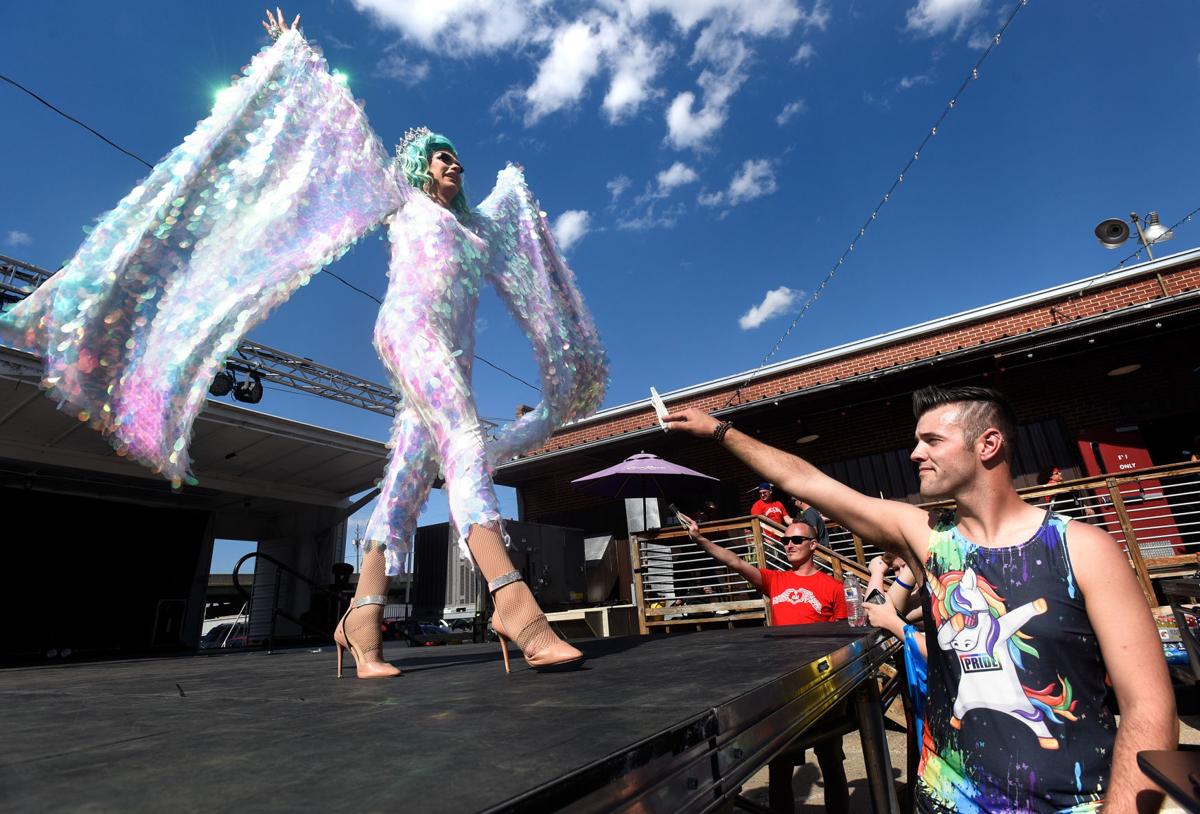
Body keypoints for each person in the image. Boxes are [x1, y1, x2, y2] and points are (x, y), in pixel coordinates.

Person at [0, 10, 607, 679]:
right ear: (419, 169)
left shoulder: (480, 230)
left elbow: (526, 246)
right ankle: (512, 600)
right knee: (465, 438)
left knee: (405, 485)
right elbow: (338, 125)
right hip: (410, 332)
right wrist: (293, 53)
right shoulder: (403, 201)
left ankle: (362, 618)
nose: (453, 162)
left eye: (456, 155)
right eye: (441, 155)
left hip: (451, 352)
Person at [665, 385, 1177, 812]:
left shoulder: (1083, 548)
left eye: (932, 440)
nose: (915, 453)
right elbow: (804, 480)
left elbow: (1148, 705)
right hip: (947, 797)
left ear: (988, 444)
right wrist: (718, 429)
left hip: (1075, 802)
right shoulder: (927, 536)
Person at [681, 513, 850, 813]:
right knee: (780, 768)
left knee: (831, 763)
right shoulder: (775, 580)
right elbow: (735, 562)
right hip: (785, 688)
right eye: (785, 540)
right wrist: (702, 539)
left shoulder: (833, 587)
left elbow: (842, 639)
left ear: (813, 545)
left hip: (823, 686)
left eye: (796, 539)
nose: (789, 544)